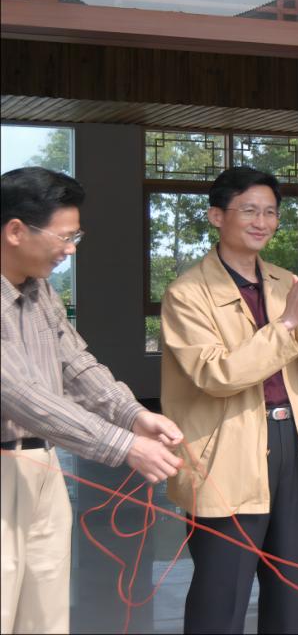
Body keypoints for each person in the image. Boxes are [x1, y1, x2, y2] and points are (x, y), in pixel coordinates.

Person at [160, 166, 298, 634]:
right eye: (249, 210)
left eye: (270, 212)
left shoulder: (287, 283)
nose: (262, 222)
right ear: (216, 216)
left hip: (292, 442)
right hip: (226, 450)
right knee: (221, 592)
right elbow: (216, 374)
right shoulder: (187, 294)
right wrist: (287, 324)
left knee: (288, 588)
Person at [1, 167, 184, 635]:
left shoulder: (41, 291)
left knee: (45, 616)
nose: (71, 249)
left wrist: (134, 415)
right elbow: (19, 394)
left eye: (75, 236)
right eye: (64, 237)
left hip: (42, 468)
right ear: (16, 231)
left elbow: (76, 364)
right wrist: (124, 445)